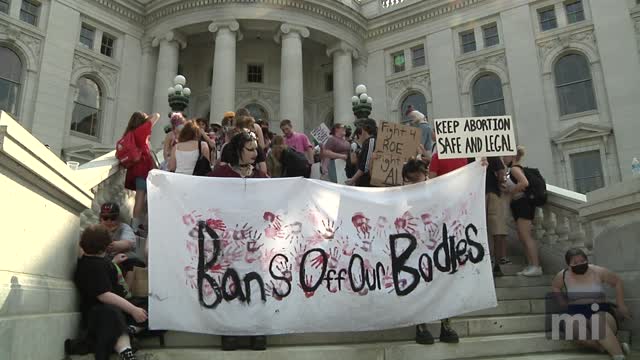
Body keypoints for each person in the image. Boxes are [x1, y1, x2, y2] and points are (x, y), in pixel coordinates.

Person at [208, 131, 267, 351]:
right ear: (238, 150)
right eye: (250, 149)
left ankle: (257, 331)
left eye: (256, 149)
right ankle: (229, 332)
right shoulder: (220, 174)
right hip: (227, 244)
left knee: (255, 285)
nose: (256, 153)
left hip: (254, 244)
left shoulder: (261, 178)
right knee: (229, 283)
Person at [401, 159, 460, 345]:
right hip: (417, 244)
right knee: (419, 282)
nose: (417, 180)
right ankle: (421, 325)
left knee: (444, 282)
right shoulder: (405, 192)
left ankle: (446, 325)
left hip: (439, 243)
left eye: (418, 176)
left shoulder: (437, 188)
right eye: (411, 179)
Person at [73, 225, 148, 360]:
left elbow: (104, 272)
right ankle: (126, 352)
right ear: (105, 247)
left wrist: (113, 262)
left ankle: (131, 328)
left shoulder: (97, 261)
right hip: (100, 313)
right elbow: (104, 295)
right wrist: (133, 310)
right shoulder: (92, 265)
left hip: (117, 309)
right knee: (112, 314)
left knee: (152, 303)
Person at [551, 248, 632, 360]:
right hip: (575, 311)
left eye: (583, 261)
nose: (580, 264)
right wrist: (562, 302)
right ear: (568, 264)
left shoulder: (598, 271)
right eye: (575, 263)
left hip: (601, 310)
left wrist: (621, 304)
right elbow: (555, 287)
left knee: (596, 321)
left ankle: (618, 354)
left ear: (587, 260)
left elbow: (617, 282)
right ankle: (604, 347)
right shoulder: (563, 275)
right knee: (571, 327)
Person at [503, 146, 542, 277]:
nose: (503, 158)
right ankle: (531, 265)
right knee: (522, 236)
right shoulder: (511, 169)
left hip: (523, 203)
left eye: (506, 155)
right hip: (518, 204)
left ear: (513, 156)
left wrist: (510, 191)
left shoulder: (514, 168)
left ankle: (536, 265)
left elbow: (524, 183)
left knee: (525, 236)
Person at [122, 112, 159, 235]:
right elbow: (157, 115)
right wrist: (147, 119)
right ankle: (136, 227)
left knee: (140, 198)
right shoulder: (141, 131)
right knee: (141, 199)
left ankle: (137, 225)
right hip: (143, 170)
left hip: (136, 170)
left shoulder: (130, 133)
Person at [99, 203, 145, 287]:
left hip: (125, 260)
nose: (109, 221)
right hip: (107, 260)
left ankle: (126, 291)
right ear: (101, 219)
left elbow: (128, 243)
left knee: (130, 264)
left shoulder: (124, 228)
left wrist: (113, 245)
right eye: (105, 218)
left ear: (119, 218)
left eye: (113, 218)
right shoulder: (98, 229)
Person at [485, 157, 509, 277]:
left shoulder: (467, 153)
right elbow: (501, 173)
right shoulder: (492, 154)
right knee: (496, 230)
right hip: (492, 194)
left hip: (474, 194)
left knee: (480, 229)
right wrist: (502, 182)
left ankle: (486, 261)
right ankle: (496, 264)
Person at [345, 119, 377, 187]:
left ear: (364, 129)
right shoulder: (368, 141)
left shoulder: (371, 141)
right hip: (364, 181)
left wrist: (353, 179)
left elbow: (365, 166)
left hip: (366, 182)